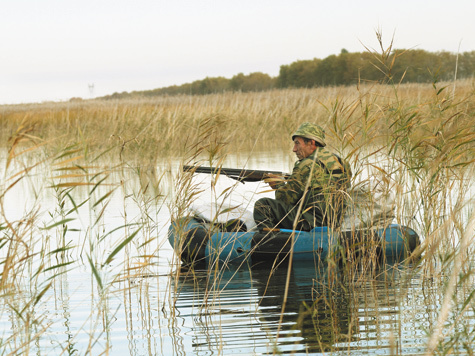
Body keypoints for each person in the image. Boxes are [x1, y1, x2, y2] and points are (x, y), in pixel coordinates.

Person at [253, 122, 352, 231]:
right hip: (335, 221)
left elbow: (285, 200)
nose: (294, 149)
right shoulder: (342, 162)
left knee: (263, 206)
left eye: (297, 143)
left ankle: (271, 242)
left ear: (311, 143)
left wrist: (278, 184)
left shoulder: (307, 165)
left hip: (312, 222)